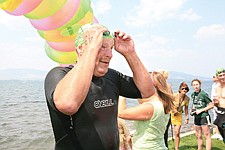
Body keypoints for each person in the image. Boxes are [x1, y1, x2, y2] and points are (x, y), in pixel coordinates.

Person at [44, 23, 155, 150]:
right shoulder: (59, 75)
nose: (110, 54)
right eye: (101, 46)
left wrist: (130, 53)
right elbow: (68, 104)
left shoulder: (111, 76)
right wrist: (91, 50)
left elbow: (147, 90)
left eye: (111, 48)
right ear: (81, 48)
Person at [118, 71, 174, 150]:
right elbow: (142, 101)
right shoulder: (162, 103)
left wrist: (121, 90)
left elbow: (121, 113)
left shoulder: (151, 107)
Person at [191, 79, 214, 150]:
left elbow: (211, 105)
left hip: (204, 116)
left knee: (207, 135)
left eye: (197, 84)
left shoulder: (204, 94)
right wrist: (193, 110)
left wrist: (201, 110)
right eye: (194, 85)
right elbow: (194, 105)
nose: (196, 86)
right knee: (198, 135)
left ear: (200, 85)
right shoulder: (193, 95)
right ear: (192, 86)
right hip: (196, 117)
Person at [171, 81, 190, 150]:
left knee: (177, 132)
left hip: (178, 115)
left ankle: (176, 148)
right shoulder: (174, 95)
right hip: (170, 114)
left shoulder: (187, 99)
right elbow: (168, 103)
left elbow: (186, 109)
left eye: (186, 89)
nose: (184, 90)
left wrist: (187, 118)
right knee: (164, 131)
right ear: (179, 89)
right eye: (183, 88)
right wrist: (173, 109)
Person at [213, 68, 225, 143]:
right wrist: (216, 103)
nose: (223, 77)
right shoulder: (216, 87)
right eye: (220, 75)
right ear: (217, 77)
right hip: (220, 112)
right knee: (223, 135)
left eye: (224, 75)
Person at [210, 75, 223, 140]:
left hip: (219, 105)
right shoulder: (213, 85)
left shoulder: (220, 85)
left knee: (220, 118)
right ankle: (217, 133)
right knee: (215, 118)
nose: (213, 78)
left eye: (214, 77)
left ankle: (220, 133)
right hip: (214, 104)